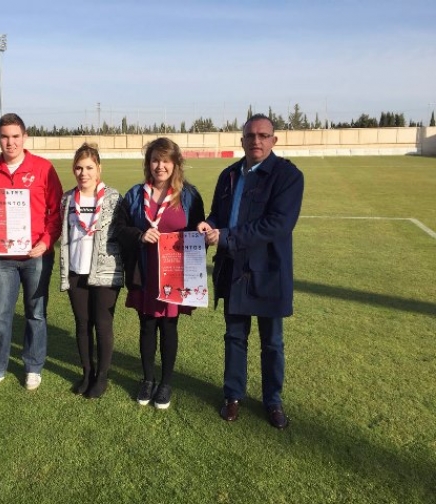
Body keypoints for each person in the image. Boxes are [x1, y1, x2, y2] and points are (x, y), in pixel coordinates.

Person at [197, 114, 304, 429]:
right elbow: (219, 213)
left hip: (269, 270)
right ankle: (233, 395)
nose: (256, 140)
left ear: (274, 140)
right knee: (234, 336)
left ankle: (273, 401)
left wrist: (226, 236)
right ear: (241, 140)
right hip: (234, 269)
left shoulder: (288, 175)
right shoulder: (229, 175)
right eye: (250, 135)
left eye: (263, 135)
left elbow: (278, 224)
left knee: (272, 341)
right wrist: (210, 225)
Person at [0, 113, 63, 393]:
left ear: (24, 137)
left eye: (15, 136)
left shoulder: (44, 168)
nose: (10, 142)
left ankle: (33, 366)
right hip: (3, 257)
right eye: (4, 137)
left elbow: (55, 211)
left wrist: (46, 242)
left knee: (36, 313)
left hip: (36, 255)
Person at [116, 137, 205, 409]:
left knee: (168, 327)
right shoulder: (134, 194)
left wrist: (202, 228)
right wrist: (141, 235)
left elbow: (199, 232)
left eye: (165, 160)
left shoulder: (189, 195)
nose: (160, 166)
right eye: (155, 160)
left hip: (174, 274)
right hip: (145, 272)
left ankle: (165, 383)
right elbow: (119, 229)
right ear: (148, 163)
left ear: (175, 164)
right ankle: (147, 380)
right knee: (146, 325)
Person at [60, 143, 123, 398]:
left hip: (105, 272)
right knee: (82, 324)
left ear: (99, 169)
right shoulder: (67, 198)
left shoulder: (113, 198)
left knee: (103, 323)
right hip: (76, 270)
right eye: (78, 167)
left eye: (88, 167)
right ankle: (87, 372)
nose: (83, 173)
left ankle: (102, 377)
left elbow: (124, 232)